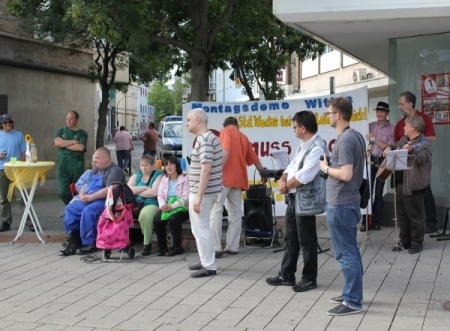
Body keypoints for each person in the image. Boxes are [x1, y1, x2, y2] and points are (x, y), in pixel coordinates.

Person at [266, 111, 326, 292]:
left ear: (303, 128)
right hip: (294, 197)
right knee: (290, 236)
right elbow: (292, 166)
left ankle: (309, 277)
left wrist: (285, 186)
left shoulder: (317, 147)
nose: (293, 130)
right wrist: (283, 178)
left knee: (307, 239)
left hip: (305, 199)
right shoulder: (303, 144)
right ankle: (287, 274)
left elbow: (304, 176)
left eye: (295, 127)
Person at [319, 97, 364, 316]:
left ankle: (353, 301)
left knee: (346, 253)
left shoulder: (346, 140)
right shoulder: (355, 136)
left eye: (329, 112)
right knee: (350, 251)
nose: (327, 116)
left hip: (341, 203)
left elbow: (345, 174)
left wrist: (326, 168)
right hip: (347, 202)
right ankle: (351, 293)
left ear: (338, 115)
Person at [210, 117, 264, 257]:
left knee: (216, 210)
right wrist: (262, 172)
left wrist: (216, 169)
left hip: (223, 178)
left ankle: (216, 248)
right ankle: (232, 247)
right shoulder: (243, 137)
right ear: (237, 125)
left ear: (225, 124)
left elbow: (226, 151)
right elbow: (255, 159)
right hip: (239, 179)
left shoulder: (226, 131)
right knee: (235, 213)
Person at [384, 115, 432, 254]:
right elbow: (394, 146)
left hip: (414, 184)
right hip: (400, 182)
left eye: (406, 125)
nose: (404, 127)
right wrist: (388, 148)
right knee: (402, 215)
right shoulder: (405, 139)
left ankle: (417, 242)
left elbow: (423, 158)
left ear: (413, 127)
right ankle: (405, 240)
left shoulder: (425, 143)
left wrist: (412, 150)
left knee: (415, 215)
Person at [63, 147, 125, 254]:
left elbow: (109, 190)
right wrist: (82, 193)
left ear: (106, 158)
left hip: (105, 202)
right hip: (89, 199)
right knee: (70, 209)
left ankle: (89, 243)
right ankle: (74, 239)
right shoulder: (96, 170)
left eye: (97, 158)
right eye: (94, 159)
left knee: (88, 211)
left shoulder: (115, 171)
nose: (94, 161)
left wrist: (91, 197)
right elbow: (86, 184)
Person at [186, 108, 223, 278]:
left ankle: (209, 265)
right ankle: (204, 260)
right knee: (199, 228)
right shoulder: (206, 138)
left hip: (204, 193)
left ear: (198, 120)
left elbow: (206, 170)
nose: (187, 123)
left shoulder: (206, 140)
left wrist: (199, 197)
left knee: (201, 229)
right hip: (207, 191)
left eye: (189, 119)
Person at [395, 91, 437, 234]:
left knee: (425, 195)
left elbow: (431, 137)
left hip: (418, 170)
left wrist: (415, 147)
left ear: (410, 104)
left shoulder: (423, 118)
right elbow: (396, 144)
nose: (399, 107)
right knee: (404, 206)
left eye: (401, 103)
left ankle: (431, 223)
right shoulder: (400, 123)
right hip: (403, 171)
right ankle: (406, 236)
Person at [360, 101, 395, 231]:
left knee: (379, 193)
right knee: (367, 191)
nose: (379, 114)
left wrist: (375, 139)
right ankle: (365, 221)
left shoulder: (392, 128)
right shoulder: (369, 126)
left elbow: (388, 147)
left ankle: (377, 221)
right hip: (370, 160)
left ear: (387, 113)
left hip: (382, 161)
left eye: (382, 112)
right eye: (378, 111)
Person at [153, 156, 189, 257]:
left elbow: (186, 197)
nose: (168, 167)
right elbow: (160, 195)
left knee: (174, 219)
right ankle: (162, 248)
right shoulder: (164, 179)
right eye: (166, 165)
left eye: (171, 164)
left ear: (176, 166)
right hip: (167, 206)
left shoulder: (185, 178)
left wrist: (172, 206)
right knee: (157, 219)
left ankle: (177, 247)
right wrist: (163, 205)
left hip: (182, 207)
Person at [127, 154, 162, 256]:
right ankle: (124, 242)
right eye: (142, 165)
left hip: (151, 203)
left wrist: (136, 191)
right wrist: (146, 188)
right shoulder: (135, 176)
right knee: (122, 213)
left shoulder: (158, 176)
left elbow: (154, 193)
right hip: (135, 204)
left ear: (152, 166)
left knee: (145, 216)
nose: (143, 167)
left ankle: (147, 243)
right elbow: (128, 191)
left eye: (146, 165)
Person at [54, 110, 88, 205]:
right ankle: (72, 207)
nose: (68, 121)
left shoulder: (82, 133)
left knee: (76, 190)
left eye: (71, 119)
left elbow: (81, 147)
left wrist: (64, 144)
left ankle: (74, 212)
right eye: (67, 119)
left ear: (76, 120)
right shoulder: (61, 131)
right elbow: (57, 143)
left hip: (76, 166)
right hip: (63, 166)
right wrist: (74, 141)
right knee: (62, 192)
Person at [0, 114, 26, 232]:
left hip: (16, 169)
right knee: (3, 197)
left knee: (21, 197)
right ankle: (6, 221)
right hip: (2, 168)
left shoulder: (18, 135)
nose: (8, 124)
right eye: (5, 122)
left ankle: (29, 221)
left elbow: (23, 153)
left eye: (10, 122)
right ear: (1, 124)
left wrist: (21, 164)